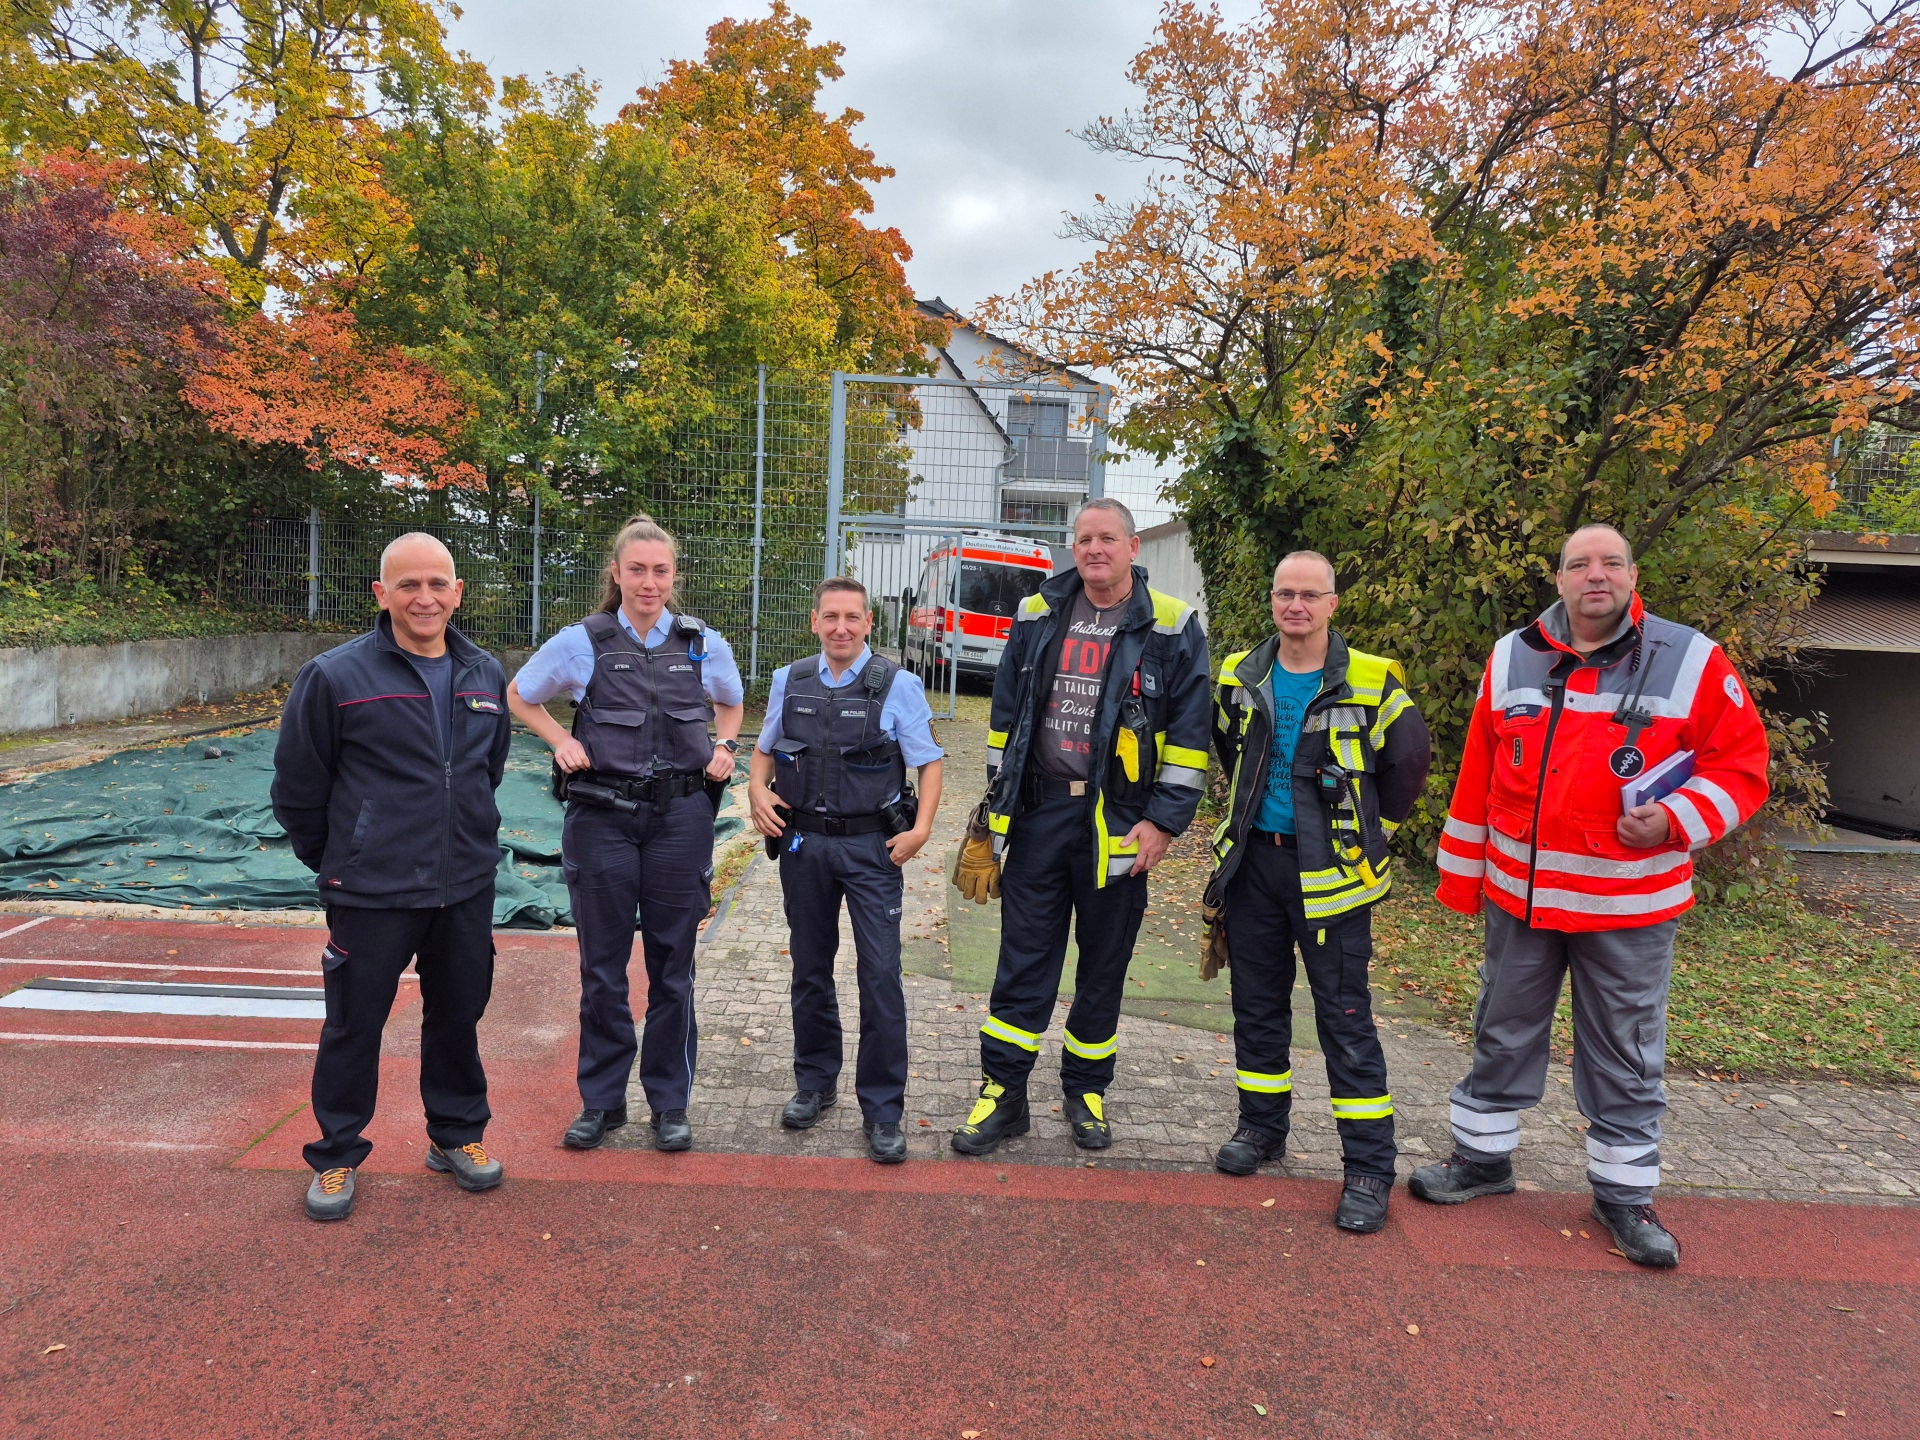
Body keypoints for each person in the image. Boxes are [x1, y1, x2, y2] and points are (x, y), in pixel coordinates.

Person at [1415, 523, 1770, 1267]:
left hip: (1627, 909)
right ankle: (1482, 1161)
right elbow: (1480, 770)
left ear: (1633, 574)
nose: (1595, 575)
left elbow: (1741, 768)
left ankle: (1624, 1199)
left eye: (1610, 562)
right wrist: (1463, 876)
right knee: (1501, 1028)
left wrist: (1675, 818)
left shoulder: (1692, 660)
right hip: (1524, 900)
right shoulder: (1512, 655)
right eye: (1580, 564)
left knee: (1625, 1052)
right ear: (1560, 578)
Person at [950, 497, 1212, 1156]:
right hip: (1040, 816)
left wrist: (1163, 824)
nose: (1094, 549)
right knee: (1022, 963)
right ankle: (1002, 1096)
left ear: (1133, 547)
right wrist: (998, 805)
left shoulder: (1174, 627)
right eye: (1084, 538)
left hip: (1119, 828)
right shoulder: (1037, 613)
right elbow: (1006, 718)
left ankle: (1085, 1091)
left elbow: (1188, 737)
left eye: (1107, 538)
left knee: (1103, 966)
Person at [273, 533, 513, 1222]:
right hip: (371, 892)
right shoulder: (335, 677)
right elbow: (298, 788)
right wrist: (344, 859)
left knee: (458, 1016)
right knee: (354, 1024)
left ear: (458, 592)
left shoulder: (484, 674)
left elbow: (484, 772)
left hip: (464, 886)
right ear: (381, 594)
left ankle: (456, 1135)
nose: (424, 597)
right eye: (408, 585)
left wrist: (461, 844)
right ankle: (337, 1151)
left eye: (438, 583)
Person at [1204, 552, 1431, 1231]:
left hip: (1331, 880)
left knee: (1345, 1021)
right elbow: (1227, 747)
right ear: (1272, 602)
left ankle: (1367, 1169)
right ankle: (1261, 1128)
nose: (1294, 605)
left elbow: (1408, 765)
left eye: (1309, 594)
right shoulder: (1241, 674)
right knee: (1257, 1007)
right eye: (1284, 593)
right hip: (1254, 871)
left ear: (1333, 604)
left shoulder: (1372, 680)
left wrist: (1369, 831)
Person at [506, 515, 744, 1154]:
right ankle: (602, 1102)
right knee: (603, 969)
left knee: (673, 968)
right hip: (602, 821)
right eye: (636, 570)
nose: (648, 582)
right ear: (616, 574)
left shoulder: (701, 643)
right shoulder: (582, 642)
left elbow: (733, 701)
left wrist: (724, 745)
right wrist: (560, 739)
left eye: (660, 571)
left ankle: (669, 1104)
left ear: (674, 577)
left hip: (681, 821)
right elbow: (520, 695)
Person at [746, 577, 945, 1164]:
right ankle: (814, 1084)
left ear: (867, 624)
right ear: (815, 622)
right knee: (810, 968)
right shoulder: (791, 680)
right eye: (830, 616)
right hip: (804, 845)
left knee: (880, 975)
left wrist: (922, 829)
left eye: (851, 617)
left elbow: (929, 764)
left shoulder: (898, 685)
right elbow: (763, 750)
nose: (840, 627)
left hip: (872, 852)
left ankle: (883, 1110)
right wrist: (757, 790)